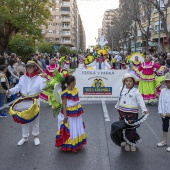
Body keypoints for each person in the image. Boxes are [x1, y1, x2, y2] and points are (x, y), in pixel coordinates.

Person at [7, 60, 46, 146]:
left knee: (35, 119)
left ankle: (36, 136)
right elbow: (18, 87)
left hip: (35, 100)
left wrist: (44, 79)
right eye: (28, 67)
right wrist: (10, 91)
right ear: (26, 68)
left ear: (35, 68)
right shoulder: (22, 78)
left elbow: (42, 88)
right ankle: (25, 137)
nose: (30, 68)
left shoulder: (39, 78)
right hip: (24, 100)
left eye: (32, 67)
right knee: (24, 119)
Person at [115, 73, 148, 151]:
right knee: (124, 128)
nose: (128, 83)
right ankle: (126, 142)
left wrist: (144, 109)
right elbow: (119, 99)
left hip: (132, 113)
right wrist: (117, 106)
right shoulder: (121, 89)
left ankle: (132, 143)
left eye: (130, 81)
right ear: (124, 82)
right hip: (122, 112)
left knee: (132, 129)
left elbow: (141, 101)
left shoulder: (136, 91)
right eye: (126, 81)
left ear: (133, 82)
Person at [55, 75, 86, 152]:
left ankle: (76, 144)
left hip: (76, 112)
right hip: (69, 114)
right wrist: (65, 116)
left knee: (76, 127)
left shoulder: (75, 90)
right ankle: (72, 145)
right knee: (71, 128)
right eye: (74, 81)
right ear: (71, 83)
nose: (75, 82)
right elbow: (64, 105)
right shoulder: (65, 93)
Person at [157, 73, 170, 152]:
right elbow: (160, 101)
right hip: (165, 113)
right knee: (165, 127)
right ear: (165, 82)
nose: (169, 83)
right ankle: (164, 140)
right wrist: (161, 111)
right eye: (168, 81)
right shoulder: (163, 91)